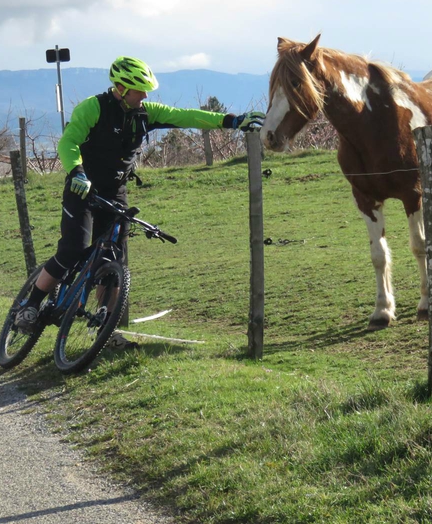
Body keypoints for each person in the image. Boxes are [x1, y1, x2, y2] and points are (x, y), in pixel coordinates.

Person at [14, 56, 264, 343]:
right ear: (120, 88)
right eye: (139, 90)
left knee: (112, 261)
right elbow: (68, 142)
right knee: (72, 250)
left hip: (115, 192)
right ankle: (30, 305)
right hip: (82, 189)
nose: (145, 96)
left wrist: (233, 121)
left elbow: (186, 116)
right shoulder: (93, 108)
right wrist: (77, 172)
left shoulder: (146, 112)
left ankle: (104, 328)